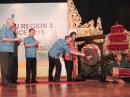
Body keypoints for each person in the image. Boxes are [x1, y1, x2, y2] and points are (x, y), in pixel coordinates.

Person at [0, 19, 22, 86]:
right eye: (13, 22)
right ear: (9, 23)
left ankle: (9, 81)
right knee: (5, 67)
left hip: (10, 51)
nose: (14, 23)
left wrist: (17, 40)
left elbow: (13, 41)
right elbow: (3, 39)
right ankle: (5, 82)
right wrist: (15, 39)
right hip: (4, 51)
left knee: (9, 67)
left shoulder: (11, 31)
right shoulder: (4, 29)